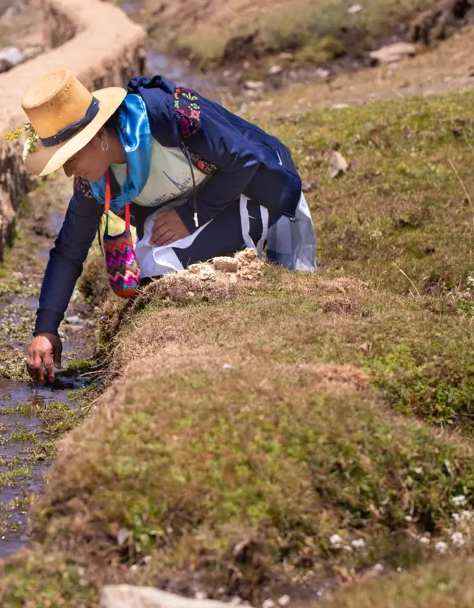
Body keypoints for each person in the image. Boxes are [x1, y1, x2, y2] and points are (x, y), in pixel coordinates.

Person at [16, 68, 317, 383]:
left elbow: (244, 159)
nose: (67, 173)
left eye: (69, 159)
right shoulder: (93, 180)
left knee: (162, 266)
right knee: (148, 272)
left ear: (98, 136)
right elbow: (70, 249)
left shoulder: (170, 115)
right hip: (200, 209)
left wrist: (190, 216)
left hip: (255, 190)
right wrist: (46, 329)